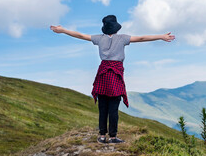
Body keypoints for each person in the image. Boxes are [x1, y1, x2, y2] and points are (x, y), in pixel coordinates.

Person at [50, 15, 175, 144]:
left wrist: (63, 30)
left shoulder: (99, 38)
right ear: (116, 27)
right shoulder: (122, 38)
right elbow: (142, 38)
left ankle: (102, 136)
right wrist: (161, 36)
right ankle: (113, 137)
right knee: (113, 108)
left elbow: (81, 35)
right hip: (115, 74)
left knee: (103, 107)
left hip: (103, 73)